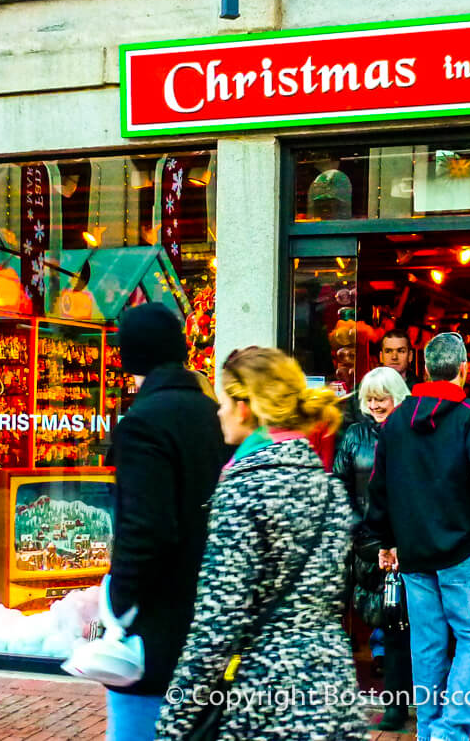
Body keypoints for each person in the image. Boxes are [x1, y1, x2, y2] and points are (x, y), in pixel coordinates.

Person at [157, 347, 365, 741]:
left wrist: (175, 719)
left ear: (245, 407)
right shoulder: (328, 487)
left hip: (269, 692)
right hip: (331, 684)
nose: (218, 412)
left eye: (223, 402)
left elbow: (217, 623)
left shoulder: (244, 488)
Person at [366, 332, 470, 741]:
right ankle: (448, 733)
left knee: (427, 644)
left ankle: (430, 729)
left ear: (425, 368)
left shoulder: (396, 421)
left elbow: (379, 485)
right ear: (464, 370)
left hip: (413, 550)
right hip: (462, 547)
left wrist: (383, 539)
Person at [104, 302, 228, 741]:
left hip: (158, 625)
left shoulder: (143, 423)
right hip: (207, 618)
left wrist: (119, 603)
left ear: (131, 358)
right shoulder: (210, 414)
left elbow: (145, 529)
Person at [332, 367, 413, 732]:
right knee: (371, 622)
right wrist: (360, 534)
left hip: (408, 546)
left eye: (382, 397)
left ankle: (397, 705)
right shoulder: (354, 435)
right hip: (366, 545)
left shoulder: (414, 432)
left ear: (398, 397)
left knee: (400, 627)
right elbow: (339, 487)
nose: (375, 404)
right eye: (369, 398)